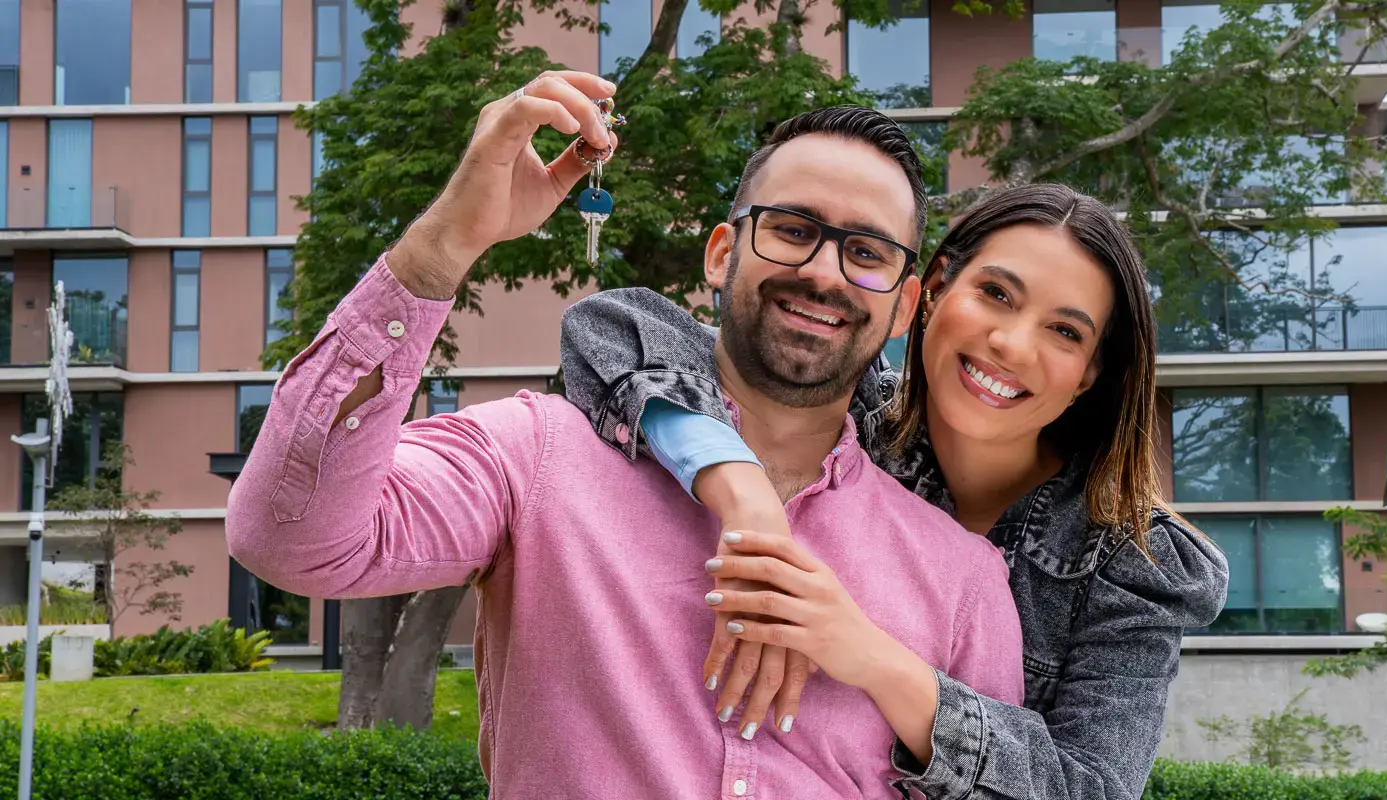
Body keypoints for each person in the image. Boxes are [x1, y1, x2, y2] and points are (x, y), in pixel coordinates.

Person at [224, 71, 1023, 798]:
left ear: (903, 304)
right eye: (791, 228)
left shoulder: (962, 578)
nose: (822, 271)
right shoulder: (536, 455)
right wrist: (445, 246)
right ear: (721, 254)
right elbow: (290, 540)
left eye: (866, 252)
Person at [559, 182, 1231, 799]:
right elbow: (615, 327)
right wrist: (744, 491)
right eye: (996, 294)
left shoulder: (1130, 562)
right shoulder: (847, 418)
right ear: (931, 289)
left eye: (1064, 331)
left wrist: (874, 659)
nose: (1010, 343)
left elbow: (1092, 787)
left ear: (1089, 373)